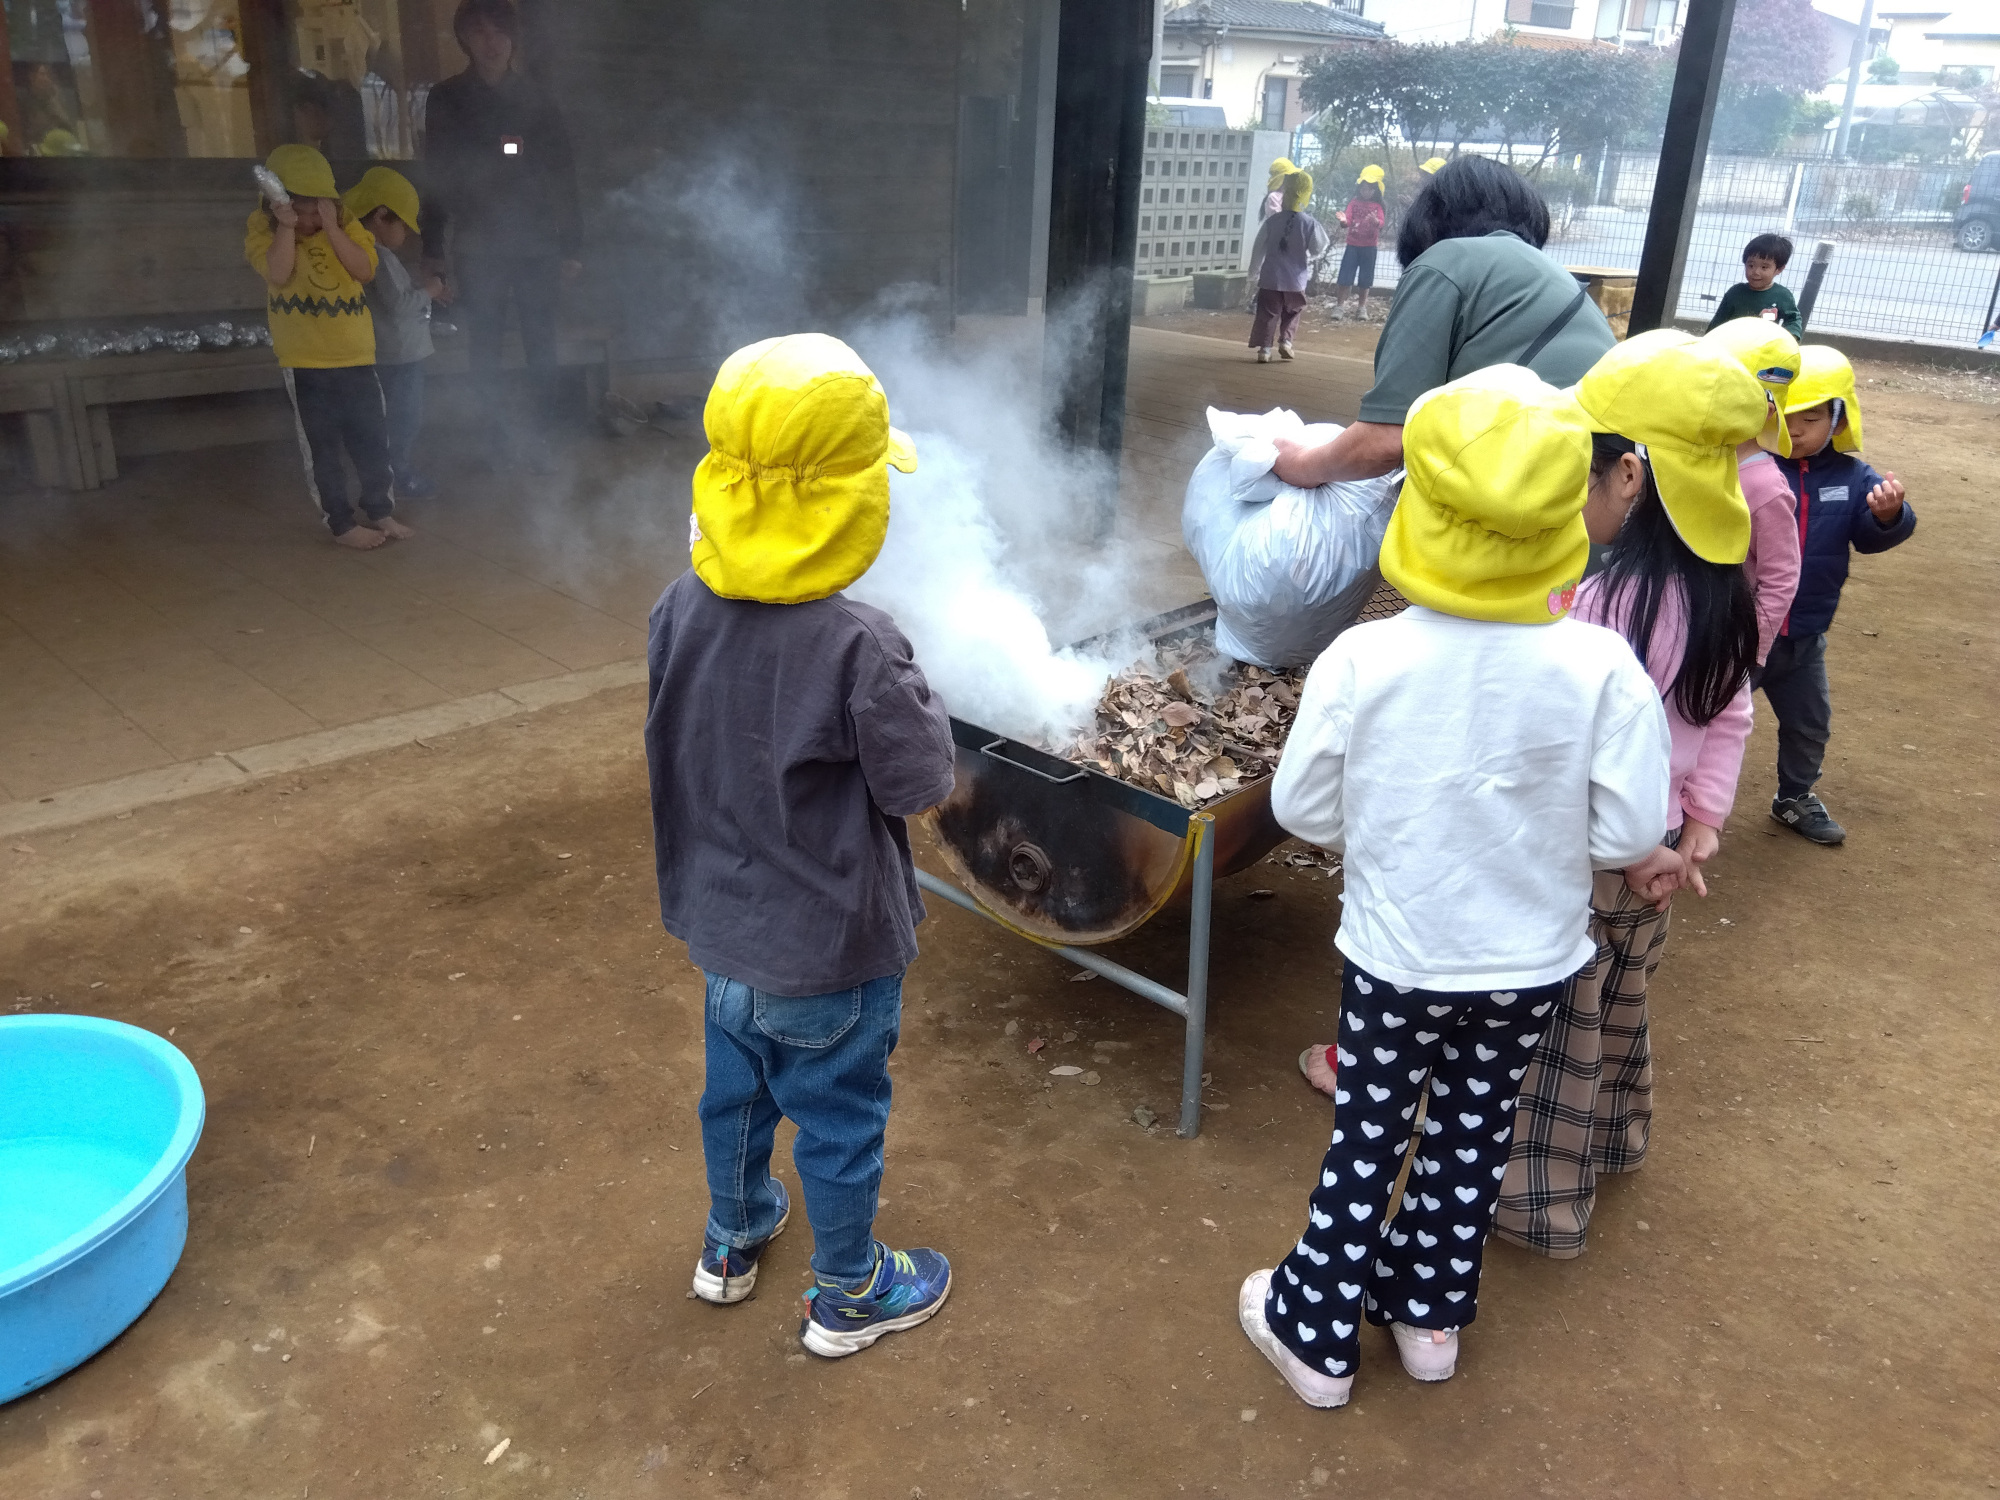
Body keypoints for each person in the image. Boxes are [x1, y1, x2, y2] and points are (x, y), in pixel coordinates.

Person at [1240, 365, 1672, 1407]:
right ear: (1561, 509)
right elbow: (1624, 830)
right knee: (1471, 1140)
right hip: (1527, 963)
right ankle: (1428, 1321)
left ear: (1423, 505)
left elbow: (1300, 810)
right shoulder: (1601, 663)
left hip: (1397, 955)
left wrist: (1388, 828)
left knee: (1368, 1136)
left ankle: (1316, 1338)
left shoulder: (1362, 656)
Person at [645, 332, 957, 1359]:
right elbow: (919, 787)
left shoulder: (675, 609)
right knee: (836, 1117)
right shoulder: (860, 644)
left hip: (719, 932)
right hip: (829, 952)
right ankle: (849, 1291)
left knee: (732, 1095)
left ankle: (731, 1241)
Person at [1495, 330, 1766, 1257]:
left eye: (1585, 466)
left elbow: (1573, 746)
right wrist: (1702, 825)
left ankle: (1540, 1203)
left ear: (1632, 478)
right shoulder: (1721, 596)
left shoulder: (1603, 608)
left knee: (1557, 1032)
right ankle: (1616, 1141)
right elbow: (1729, 719)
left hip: (1593, 857)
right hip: (1659, 851)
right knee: (1620, 1003)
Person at [1272, 154, 1614, 489]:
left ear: (1429, 223)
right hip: (1609, 491)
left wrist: (1296, 462)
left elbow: (1385, 441)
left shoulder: (1444, 260)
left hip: (1547, 496)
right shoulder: (1550, 276)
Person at [1763, 346, 1915, 845]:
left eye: (1811, 417)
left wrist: (1889, 515)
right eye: (1786, 416)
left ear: (1838, 418)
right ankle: (1681, 799)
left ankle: (1794, 796)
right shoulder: (1750, 467)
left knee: (1810, 724)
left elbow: (1870, 538)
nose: (1798, 428)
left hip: (1806, 635)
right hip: (1743, 631)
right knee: (1711, 717)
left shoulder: (1853, 478)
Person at [422, 0, 582, 473]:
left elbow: (563, 175)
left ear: (513, 39)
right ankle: (496, 442)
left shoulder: (537, 97)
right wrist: (433, 246)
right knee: (484, 345)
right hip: (478, 240)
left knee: (541, 342)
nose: (490, 42)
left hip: (535, 239)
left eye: (498, 33)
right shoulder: (447, 97)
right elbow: (436, 173)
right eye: (479, 33)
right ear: (465, 41)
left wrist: (572, 245)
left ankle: (543, 441)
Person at [245, 145, 411, 551]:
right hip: (305, 362)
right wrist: (285, 228)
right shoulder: (263, 232)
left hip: (356, 356)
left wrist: (334, 227)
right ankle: (339, 522)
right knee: (322, 447)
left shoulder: (348, 225)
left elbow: (364, 269)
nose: (306, 221)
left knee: (372, 437)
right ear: (275, 205)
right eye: (296, 211)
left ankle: (379, 507)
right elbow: (279, 274)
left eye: (314, 211)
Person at [1703, 318, 1804, 665]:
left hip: (1728, 644)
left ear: (1767, 409)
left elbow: (1781, 577)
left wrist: (1750, 648)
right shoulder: (1694, 462)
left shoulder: (1765, 487)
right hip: (1684, 629)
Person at [345, 166, 448, 501]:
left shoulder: (364, 249)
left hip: (390, 350)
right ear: (381, 215)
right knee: (404, 420)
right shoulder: (377, 254)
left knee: (394, 418)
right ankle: (398, 475)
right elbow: (399, 305)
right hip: (399, 354)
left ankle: (389, 475)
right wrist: (430, 290)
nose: (405, 233)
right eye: (402, 224)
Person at [1247, 169, 1328, 364]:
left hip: (1270, 279)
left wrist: (1252, 273)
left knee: (1267, 313)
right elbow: (1319, 247)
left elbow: (1258, 249)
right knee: (1293, 311)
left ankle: (1264, 350)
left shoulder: (1272, 221)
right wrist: (1309, 256)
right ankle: (1286, 341)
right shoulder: (1310, 223)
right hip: (1295, 280)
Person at [1706, 233, 1802, 339]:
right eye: (1751, 265)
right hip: (1733, 345)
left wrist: (1789, 337)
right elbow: (1718, 321)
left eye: (1764, 267)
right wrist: (1707, 340)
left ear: (1779, 269)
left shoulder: (1782, 295)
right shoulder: (1735, 293)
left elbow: (1793, 320)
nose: (1756, 272)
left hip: (1764, 347)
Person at [1330, 166, 1386, 321]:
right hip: (1352, 245)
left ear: (1375, 191)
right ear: (1359, 188)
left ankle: (1362, 308)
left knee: (1365, 280)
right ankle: (1340, 306)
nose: (1365, 191)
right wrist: (1342, 221)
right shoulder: (1353, 203)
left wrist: (1375, 221)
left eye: (1369, 189)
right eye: (1363, 188)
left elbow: (1381, 223)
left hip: (1370, 247)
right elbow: (1346, 221)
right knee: (1345, 277)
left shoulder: (1378, 206)